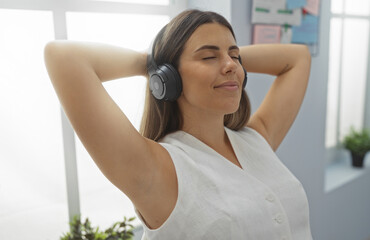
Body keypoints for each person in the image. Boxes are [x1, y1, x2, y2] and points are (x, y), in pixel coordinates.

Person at [44, 9, 312, 240]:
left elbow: (298, 57)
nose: (231, 65)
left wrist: (224, 59)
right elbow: (62, 56)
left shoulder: (256, 139)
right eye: (208, 57)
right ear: (169, 77)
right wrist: (155, 64)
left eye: (235, 56)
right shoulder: (156, 169)